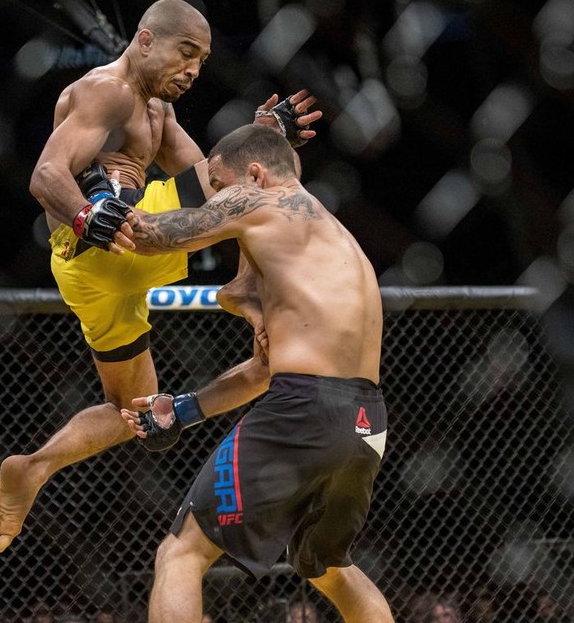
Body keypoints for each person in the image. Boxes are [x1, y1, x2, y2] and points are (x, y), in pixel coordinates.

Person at [0, 0, 321, 553]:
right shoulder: (108, 91)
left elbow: (210, 174)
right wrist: (86, 213)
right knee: (263, 180)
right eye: (185, 52)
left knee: (134, 412)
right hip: (109, 241)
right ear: (145, 40)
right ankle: (246, 292)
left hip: (91, 272)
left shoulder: (157, 109)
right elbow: (46, 174)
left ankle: (33, 468)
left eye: (202, 61)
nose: (193, 70)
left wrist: (259, 133)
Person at [120, 124, 392, 623]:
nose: (217, 198)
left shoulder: (261, 202)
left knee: (180, 554)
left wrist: (94, 203)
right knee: (330, 569)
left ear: (254, 174)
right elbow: (261, 372)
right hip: (365, 422)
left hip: (304, 407)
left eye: (218, 185)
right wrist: (182, 411)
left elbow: (151, 234)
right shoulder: (325, 238)